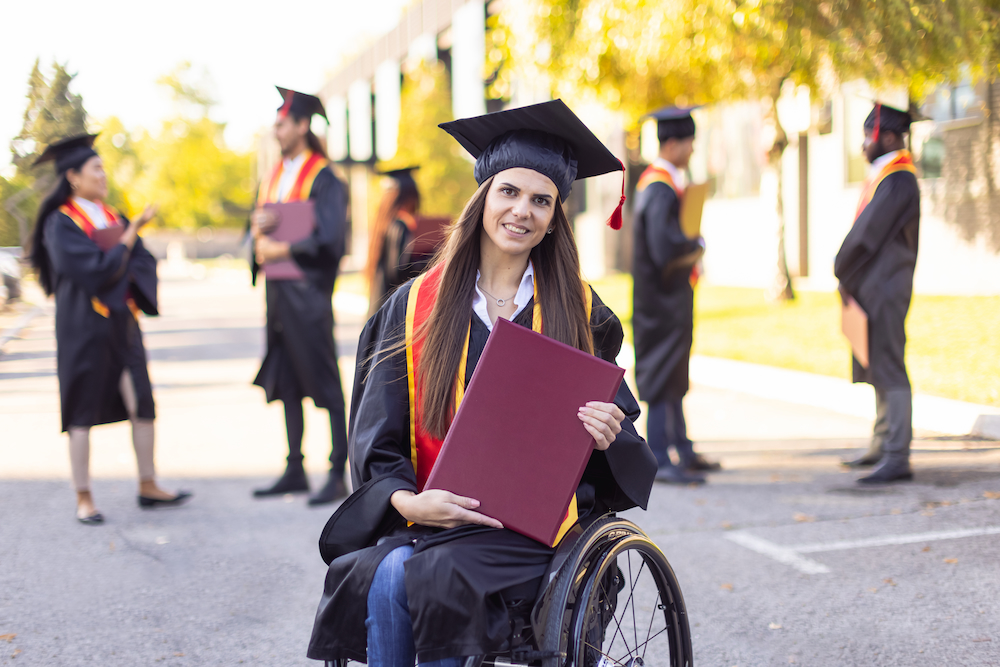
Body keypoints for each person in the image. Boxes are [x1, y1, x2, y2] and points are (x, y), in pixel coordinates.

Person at [306, 100, 657, 666]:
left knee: (422, 574)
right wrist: (410, 504)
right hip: (431, 518)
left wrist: (607, 433)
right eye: (509, 192)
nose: (523, 211)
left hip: (538, 537)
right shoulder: (414, 309)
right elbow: (377, 441)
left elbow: (621, 451)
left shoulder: (580, 313)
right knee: (387, 569)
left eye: (541, 200)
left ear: (554, 218)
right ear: (484, 198)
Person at [29, 134, 190, 524]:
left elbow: (141, 261)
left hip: (123, 322)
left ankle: (148, 484)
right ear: (73, 176)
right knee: (80, 408)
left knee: (142, 401)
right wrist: (128, 238)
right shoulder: (61, 223)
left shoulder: (111, 216)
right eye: (95, 168)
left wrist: (125, 252)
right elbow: (92, 271)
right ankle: (84, 496)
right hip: (82, 327)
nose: (103, 175)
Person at [249, 87, 351, 505]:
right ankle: (294, 467)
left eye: (281, 122)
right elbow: (259, 230)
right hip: (277, 293)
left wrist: (283, 248)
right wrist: (258, 228)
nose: (275, 129)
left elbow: (330, 238)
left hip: (308, 294)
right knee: (287, 377)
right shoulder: (274, 175)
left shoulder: (324, 177)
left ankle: (336, 471)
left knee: (324, 380)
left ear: (302, 125)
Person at [632, 106, 719, 485]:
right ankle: (659, 456)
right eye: (689, 143)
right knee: (662, 372)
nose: (693, 150)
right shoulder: (658, 188)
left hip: (670, 296)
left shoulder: (664, 185)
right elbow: (664, 247)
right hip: (660, 299)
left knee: (675, 372)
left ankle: (681, 448)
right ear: (672, 143)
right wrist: (695, 244)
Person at [836, 102, 921, 484]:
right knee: (878, 366)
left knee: (889, 366)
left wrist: (840, 266)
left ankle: (896, 454)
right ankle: (881, 442)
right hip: (877, 285)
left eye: (866, 137)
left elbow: (866, 235)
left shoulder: (899, 179)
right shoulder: (887, 176)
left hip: (888, 286)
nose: (862, 146)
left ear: (887, 137)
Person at [365, 166, 427, 317]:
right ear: (411, 196)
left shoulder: (385, 223)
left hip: (381, 305)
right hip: (394, 311)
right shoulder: (401, 225)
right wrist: (429, 260)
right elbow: (398, 269)